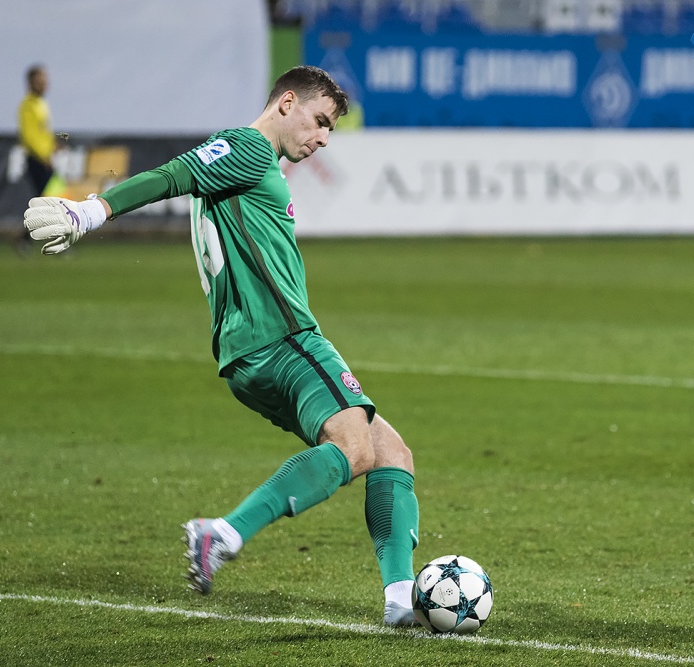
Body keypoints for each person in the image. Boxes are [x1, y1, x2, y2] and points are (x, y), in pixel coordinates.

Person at [22, 66, 420, 626]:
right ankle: (224, 534)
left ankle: (401, 603)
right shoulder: (248, 147)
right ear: (287, 103)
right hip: (283, 339)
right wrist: (90, 211)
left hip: (247, 353)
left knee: (391, 453)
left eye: (330, 129)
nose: (324, 138)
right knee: (355, 448)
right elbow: (173, 175)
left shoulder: (250, 160)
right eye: (319, 121)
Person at [18, 65, 58, 246]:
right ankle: (47, 238)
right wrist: (44, 156)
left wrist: (53, 146)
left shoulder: (41, 103)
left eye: (45, 80)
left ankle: (27, 239)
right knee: (50, 200)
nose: (44, 84)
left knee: (47, 200)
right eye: (40, 81)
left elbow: (43, 132)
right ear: (30, 83)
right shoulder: (28, 105)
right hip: (37, 160)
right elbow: (29, 136)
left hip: (45, 159)